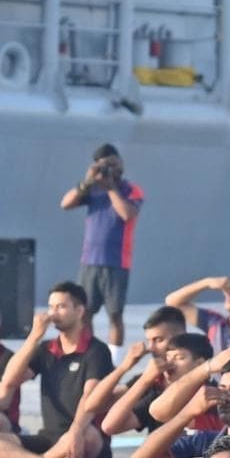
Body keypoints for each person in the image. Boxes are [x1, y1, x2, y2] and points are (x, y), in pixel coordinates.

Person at [63, 145, 143, 340]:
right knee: (85, 312)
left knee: (115, 314)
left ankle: (114, 357)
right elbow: (65, 204)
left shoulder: (130, 189)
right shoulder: (92, 190)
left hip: (117, 262)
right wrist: (87, 182)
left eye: (114, 164)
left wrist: (111, 188)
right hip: (89, 261)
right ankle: (90, 353)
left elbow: (127, 213)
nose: (112, 169)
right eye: (106, 165)